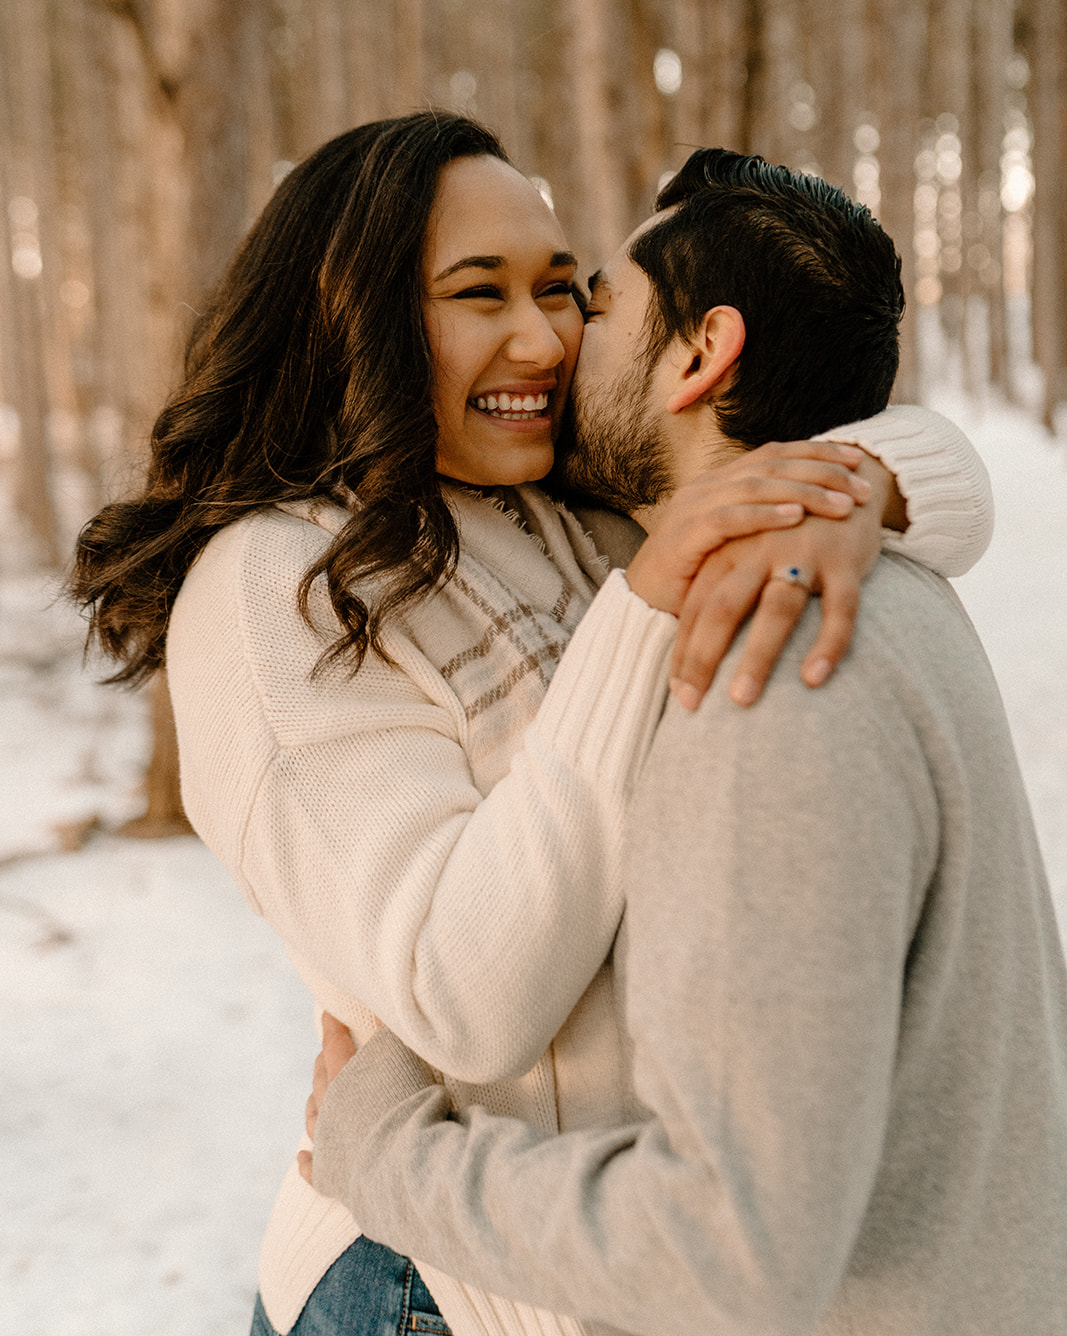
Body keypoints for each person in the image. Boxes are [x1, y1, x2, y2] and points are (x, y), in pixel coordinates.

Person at [71, 117, 993, 1336]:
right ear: (355, 314)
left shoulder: (562, 499)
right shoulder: (272, 586)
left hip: (622, 1265)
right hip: (432, 1294)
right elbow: (463, 997)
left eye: (565, 292)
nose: (543, 337)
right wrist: (642, 603)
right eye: (478, 293)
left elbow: (943, 472)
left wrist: (857, 481)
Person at [304, 150, 1067, 1336]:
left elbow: (726, 1248)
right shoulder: (885, 583)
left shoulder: (757, 664)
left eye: (597, 304)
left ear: (700, 354)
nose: (559, 345)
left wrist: (380, 1147)